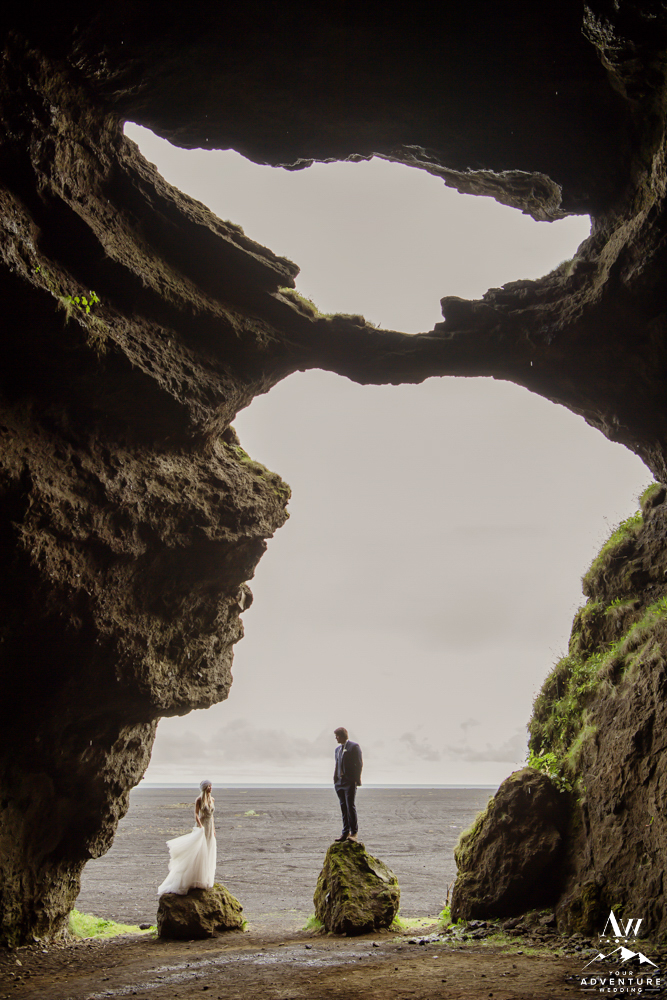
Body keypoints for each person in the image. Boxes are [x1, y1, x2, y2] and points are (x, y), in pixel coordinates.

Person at [157, 780, 217, 896]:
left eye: (211, 786)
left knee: (209, 849)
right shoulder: (199, 800)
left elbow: (212, 817)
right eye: (209, 786)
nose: (211, 788)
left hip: (209, 827)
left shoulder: (213, 800)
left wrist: (213, 829)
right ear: (204, 788)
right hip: (203, 825)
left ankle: (205, 877)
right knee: (199, 850)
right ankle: (195, 878)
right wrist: (200, 826)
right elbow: (196, 814)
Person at [333, 727, 363, 842]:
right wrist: (335, 780)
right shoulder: (337, 750)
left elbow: (359, 764)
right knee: (343, 807)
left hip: (349, 782)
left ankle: (354, 833)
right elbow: (337, 765)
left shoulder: (353, 747)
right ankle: (345, 832)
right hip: (339, 783)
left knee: (350, 806)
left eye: (337, 736)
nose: (336, 738)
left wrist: (356, 780)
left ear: (342, 735)